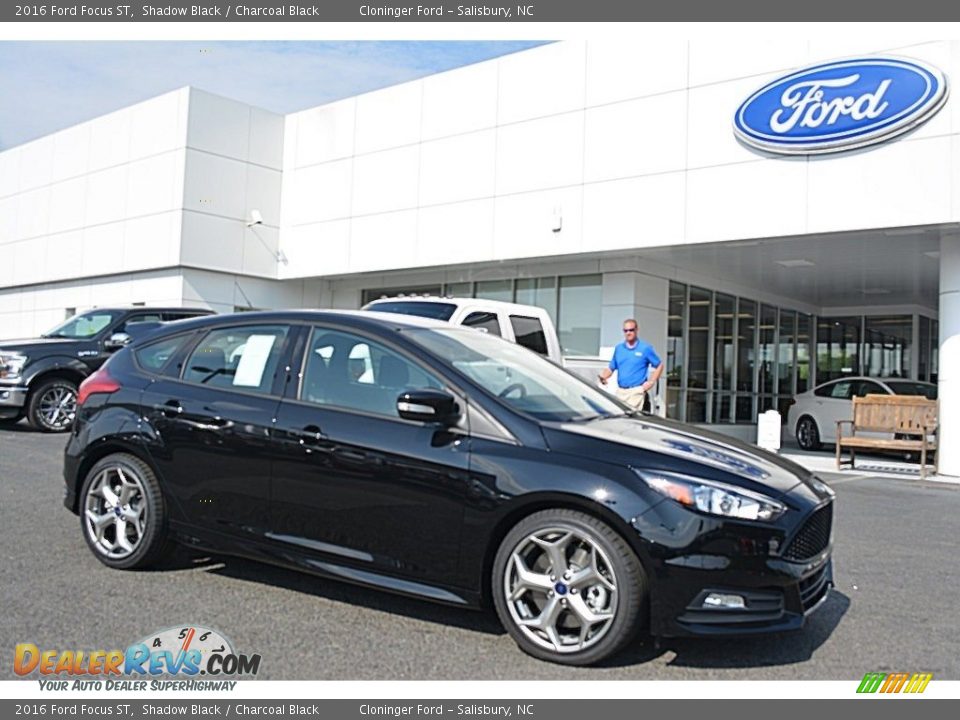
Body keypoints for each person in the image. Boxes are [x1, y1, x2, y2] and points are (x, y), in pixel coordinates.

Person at [598, 319, 663, 411]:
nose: (628, 333)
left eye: (631, 330)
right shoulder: (619, 348)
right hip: (621, 392)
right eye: (626, 330)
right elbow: (611, 368)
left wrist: (651, 382)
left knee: (636, 422)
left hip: (637, 392)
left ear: (636, 330)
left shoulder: (645, 348)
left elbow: (659, 365)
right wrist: (603, 377)